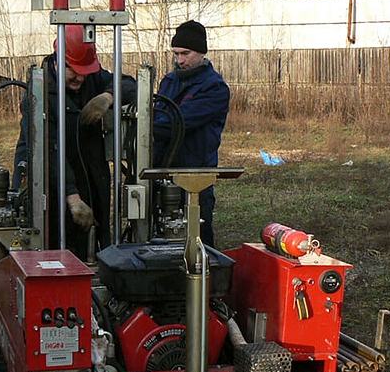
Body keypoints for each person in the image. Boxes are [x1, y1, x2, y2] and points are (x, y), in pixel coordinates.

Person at [13, 25, 137, 259]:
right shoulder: (38, 95)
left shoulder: (92, 79)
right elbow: (46, 151)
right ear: (58, 61)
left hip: (89, 175)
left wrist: (108, 96)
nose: (80, 77)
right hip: (50, 180)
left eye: (85, 71)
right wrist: (72, 197)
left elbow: (131, 85)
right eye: (74, 70)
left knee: (91, 242)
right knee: (51, 247)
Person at [152, 20, 230, 248]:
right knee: (159, 236)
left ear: (201, 52)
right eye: (176, 54)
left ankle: (207, 280)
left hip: (196, 176)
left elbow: (178, 123)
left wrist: (148, 126)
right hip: (161, 172)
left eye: (185, 53)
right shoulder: (169, 81)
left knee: (198, 240)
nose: (180, 60)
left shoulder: (214, 88)